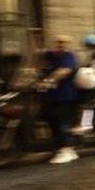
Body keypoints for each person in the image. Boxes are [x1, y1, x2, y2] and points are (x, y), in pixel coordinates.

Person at [40, 35, 79, 164]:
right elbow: (38, 55)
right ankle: (59, 148)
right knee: (53, 122)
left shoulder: (68, 56)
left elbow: (64, 71)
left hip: (65, 96)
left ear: (67, 44)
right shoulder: (52, 55)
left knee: (62, 122)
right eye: (57, 42)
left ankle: (68, 150)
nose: (60, 44)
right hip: (52, 95)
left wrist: (48, 81)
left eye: (63, 42)